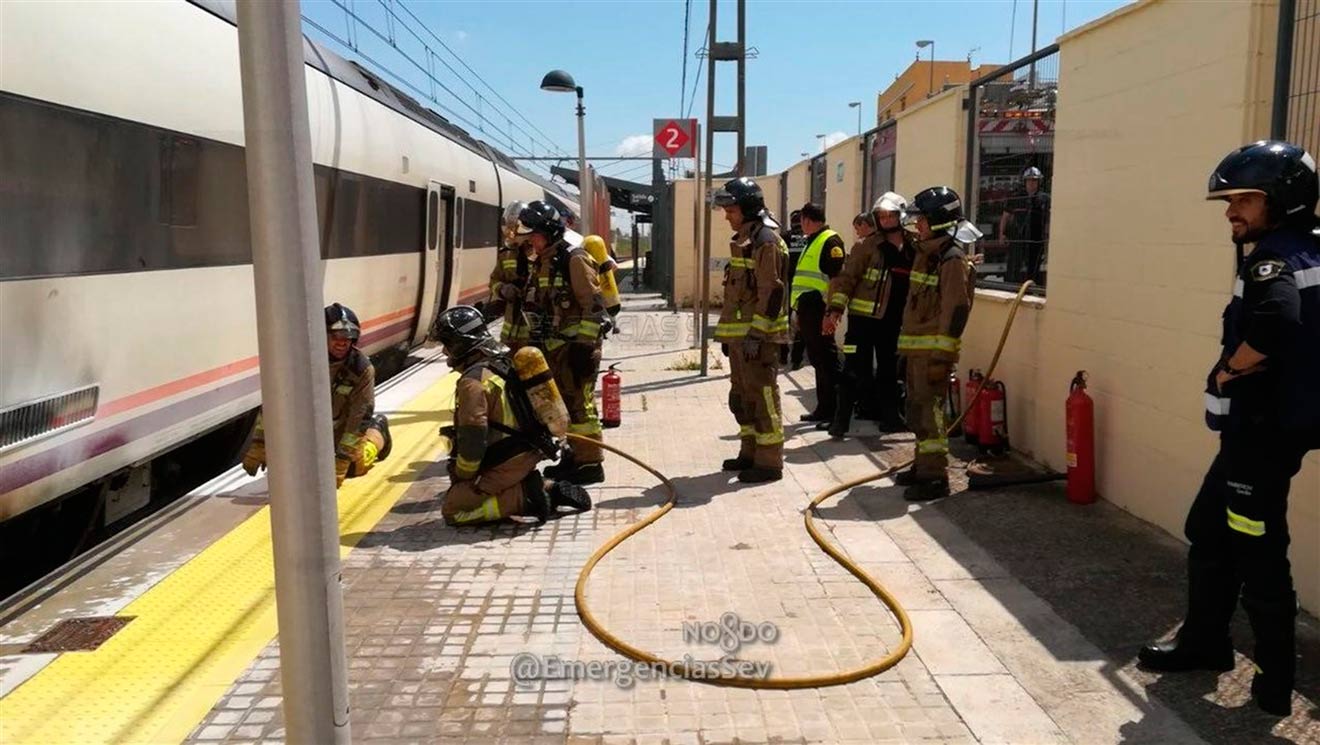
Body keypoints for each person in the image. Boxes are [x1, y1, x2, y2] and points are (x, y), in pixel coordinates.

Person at [1138, 141, 1319, 717]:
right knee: (1208, 527)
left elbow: (1276, 318)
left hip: (1261, 433)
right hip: (1274, 428)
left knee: (1257, 547)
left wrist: (1229, 369)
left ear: (1281, 200)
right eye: (1229, 201)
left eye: (1244, 200)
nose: (1231, 212)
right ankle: (1205, 642)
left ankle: (1273, 684)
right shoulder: (1309, 248)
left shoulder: (1272, 260)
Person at [431, 306, 591, 525]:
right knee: (466, 491)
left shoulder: (472, 383)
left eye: (447, 345)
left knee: (453, 509)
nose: (444, 352)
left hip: (505, 461)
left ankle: (526, 497)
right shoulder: (502, 364)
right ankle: (540, 486)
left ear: (460, 345)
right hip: (527, 452)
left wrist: (462, 475)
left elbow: (473, 439)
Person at [241, 303, 392, 487]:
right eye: (336, 336)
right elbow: (274, 404)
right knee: (295, 468)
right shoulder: (296, 362)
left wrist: (342, 460)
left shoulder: (361, 369)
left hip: (341, 431)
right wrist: (259, 444)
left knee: (354, 467)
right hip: (307, 432)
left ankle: (378, 432)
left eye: (349, 337)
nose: (343, 342)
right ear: (321, 335)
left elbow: (359, 417)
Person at [893, 187, 978, 502]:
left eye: (923, 220)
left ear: (939, 221)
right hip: (917, 353)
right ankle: (922, 466)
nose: (917, 225)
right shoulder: (926, 255)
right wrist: (906, 353)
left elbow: (956, 311)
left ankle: (934, 478)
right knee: (917, 412)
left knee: (931, 416)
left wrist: (943, 358)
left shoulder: (951, 259)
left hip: (932, 356)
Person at [519, 201, 609, 485]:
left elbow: (594, 306)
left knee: (580, 406)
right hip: (555, 348)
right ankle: (573, 455)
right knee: (565, 407)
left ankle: (590, 464)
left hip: (575, 349)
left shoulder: (574, 259)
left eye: (534, 235)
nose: (530, 241)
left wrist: (584, 347)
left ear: (548, 232)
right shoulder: (545, 261)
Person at [712, 177, 790, 483]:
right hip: (742, 340)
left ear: (747, 208)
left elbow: (771, 292)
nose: (727, 216)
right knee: (742, 398)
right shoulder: (747, 239)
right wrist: (730, 337)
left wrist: (757, 335)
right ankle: (749, 452)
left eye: (731, 210)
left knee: (762, 398)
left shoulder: (765, 241)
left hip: (759, 340)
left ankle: (769, 462)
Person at [825, 193, 914, 437]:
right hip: (861, 323)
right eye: (881, 216)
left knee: (888, 371)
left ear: (900, 216)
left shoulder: (913, 246)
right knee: (852, 370)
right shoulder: (866, 245)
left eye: (890, 215)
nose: (886, 220)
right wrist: (835, 310)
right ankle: (840, 422)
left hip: (892, 322)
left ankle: (891, 419)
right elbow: (846, 279)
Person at [790, 203, 847, 423]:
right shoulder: (813, 240)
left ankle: (835, 413)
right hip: (808, 309)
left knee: (827, 361)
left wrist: (830, 313)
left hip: (819, 309)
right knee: (818, 360)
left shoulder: (830, 241)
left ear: (807, 219)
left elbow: (836, 280)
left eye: (802, 220)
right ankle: (824, 409)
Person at [487, 201, 533, 349]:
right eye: (509, 225)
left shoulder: (540, 252)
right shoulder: (506, 254)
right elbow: (494, 280)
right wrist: (502, 289)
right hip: (511, 332)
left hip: (534, 333)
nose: (511, 230)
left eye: (515, 225)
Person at [998, 166, 1051, 284]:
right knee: (1014, 265)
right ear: (1025, 181)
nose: (1032, 183)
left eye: (1035, 180)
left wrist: (1047, 236)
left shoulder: (1045, 199)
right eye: (1029, 180)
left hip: (1036, 238)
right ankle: (1011, 287)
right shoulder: (1016, 197)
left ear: (1039, 182)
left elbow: (1049, 218)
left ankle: (1030, 288)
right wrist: (1001, 234)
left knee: (1034, 267)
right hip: (1018, 237)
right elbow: (1005, 217)